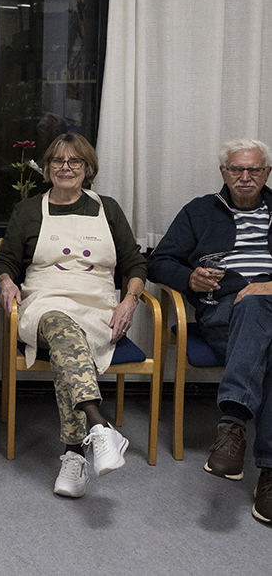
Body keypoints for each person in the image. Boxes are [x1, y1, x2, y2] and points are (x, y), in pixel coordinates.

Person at [0, 133, 146, 498]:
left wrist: (130, 301)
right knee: (61, 326)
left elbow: (134, 262)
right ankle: (99, 426)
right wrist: (5, 282)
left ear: (87, 168)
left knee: (69, 348)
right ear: (47, 168)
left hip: (97, 308)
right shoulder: (29, 210)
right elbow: (6, 259)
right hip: (44, 302)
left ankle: (75, 456)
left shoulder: (108, 208)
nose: (66, 167)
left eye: (74, 161)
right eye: (58, 161)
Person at [147, 138, 272, 524]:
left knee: (258, 304)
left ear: (267, 173)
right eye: (237, 169)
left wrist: (267, 287)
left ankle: (232, 423)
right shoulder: (199, 211)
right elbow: (159, 262)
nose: (245, 177)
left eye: (254, 169)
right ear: (223, 172)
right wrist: (189, 278)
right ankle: (269, 474)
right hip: (222, 313)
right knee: (256, 319)